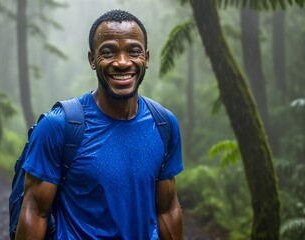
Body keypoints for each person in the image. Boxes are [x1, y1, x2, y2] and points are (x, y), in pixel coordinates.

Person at [15, 9, 184, 240]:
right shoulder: (58, 126)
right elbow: (35, 210)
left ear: (146, 58)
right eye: (108, 52)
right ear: (92, 59)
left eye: (133, 51)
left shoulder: (164, 124)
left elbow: (167, 208)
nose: (123, 62)